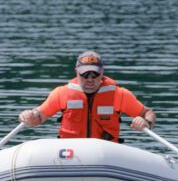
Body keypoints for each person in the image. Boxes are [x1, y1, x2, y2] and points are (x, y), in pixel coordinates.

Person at [19, 51, 156, 142]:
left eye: (94, 74)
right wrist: (29, 116)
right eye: (84, 74)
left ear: (102, 72)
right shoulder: (62, 93)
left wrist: (146, 122)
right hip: (70, 153)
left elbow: (148, 112)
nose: (90, 79)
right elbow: (38, 117)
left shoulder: (119, 94)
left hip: (106, 154)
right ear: (76, 72)